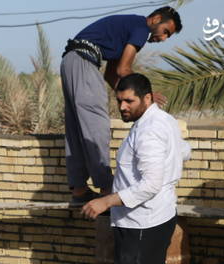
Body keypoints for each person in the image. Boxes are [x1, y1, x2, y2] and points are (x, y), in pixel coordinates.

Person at [82, 73, 191, 264]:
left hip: (140, 224)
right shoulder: (165, 121)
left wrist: (106, 202)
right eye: (119, 101)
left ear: (148, 98)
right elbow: (184, 151)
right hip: (160, 216)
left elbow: (151, 184)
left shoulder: (148, 131)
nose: (122, 107)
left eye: (129, 101)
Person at [62, 6, 182, 206]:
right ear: (156, 19)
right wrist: (146, 96)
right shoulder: (141, 28)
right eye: (166, 32)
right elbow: (124, 69)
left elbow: (112, 74)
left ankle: (79, 190)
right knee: (97, 127)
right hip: (84, 61)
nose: (163, 39)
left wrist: (128, 99)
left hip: (71, 61)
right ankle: (106, 188)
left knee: (76, 129)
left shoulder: (126, 29)